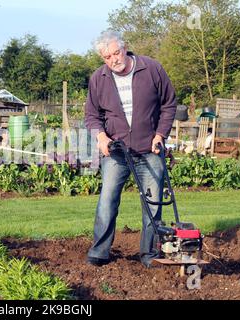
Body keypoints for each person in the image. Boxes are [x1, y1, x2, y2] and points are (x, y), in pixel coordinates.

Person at [84, 31, 177, 268]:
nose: (114, 59)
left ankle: (149, 254)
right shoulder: (99, 78)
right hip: (116, 151)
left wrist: (160, 135)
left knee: (153, 203)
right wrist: (101, 136)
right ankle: (100, 251)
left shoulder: (152, 69)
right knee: (107, 200)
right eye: (107, 56)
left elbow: (169, 103)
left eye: (116, 52)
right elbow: (92, 115)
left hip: (149, 149)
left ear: (124, 48)